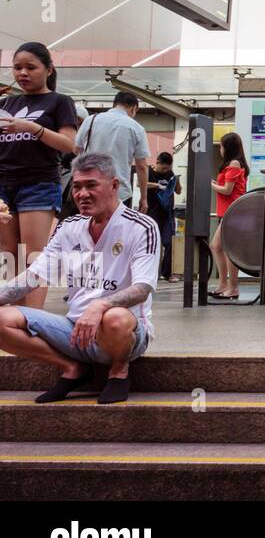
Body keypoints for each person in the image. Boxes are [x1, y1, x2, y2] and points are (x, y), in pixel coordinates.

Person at [0, 152, 158, 405]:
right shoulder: (68, 227)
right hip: (75, 331)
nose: (82, 194)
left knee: (114, 317)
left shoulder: (141, 226)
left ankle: (119, 371)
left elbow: (142, 288)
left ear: (114, 185)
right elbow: (33, 276)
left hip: (123, 333)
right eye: (77, 187)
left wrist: (101, 305)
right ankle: (72, 368)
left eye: (91, 185)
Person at [0, 42, 78, 311]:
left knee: (33, 256)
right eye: (17, 67)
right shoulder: (6, 103)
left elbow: (70, 144)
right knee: (9, 256)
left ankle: (32, 319)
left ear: (48, 70)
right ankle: (13, 321)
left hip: (39, 183)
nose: (23, 73)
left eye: (30, 67)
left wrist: (32, 128)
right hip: (3, 185)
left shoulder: (60, 102)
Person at [74, 90, 149, 208]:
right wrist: (143, 198)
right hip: (120, 191)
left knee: (90, 224)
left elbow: (77, 149)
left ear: (115, 104)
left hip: (90, 187)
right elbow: (142, 166)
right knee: (117, 225)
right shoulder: (136, 128)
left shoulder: (91, 120)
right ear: (134, 109)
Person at [209, 132, 249, 300]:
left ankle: (232, 287)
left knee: (226, 249)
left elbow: (227, 189)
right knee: (219, 247)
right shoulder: (235, 163)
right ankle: (224, 284)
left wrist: (211, 185)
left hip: (232, 212)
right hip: (230, 211)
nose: (220, 149)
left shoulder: (233, 163)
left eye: (222, 146)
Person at [145, 151, 179, 282]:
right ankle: (151, 274)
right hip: (152, 213)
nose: (165, 171)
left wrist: (176, 181)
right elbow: (140, 184)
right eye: (163, 168)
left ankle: (167, 273)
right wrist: (157, 185)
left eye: (168, 169)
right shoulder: (148, 171)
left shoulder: (169, 173)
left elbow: (178, 190)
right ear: (157, 162)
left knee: (169, 242)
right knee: (152, 244)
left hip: (167, 214)